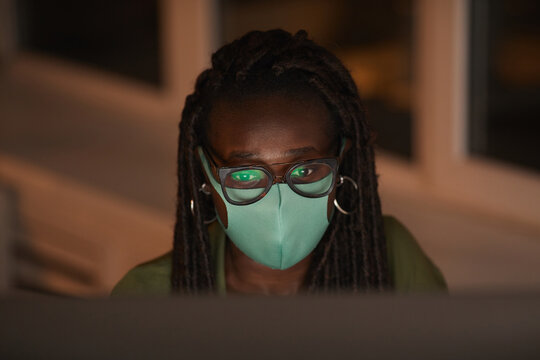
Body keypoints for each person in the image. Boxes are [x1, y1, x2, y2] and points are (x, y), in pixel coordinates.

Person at [112, 29, 446, 296]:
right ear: (205, 172)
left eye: (304, 169)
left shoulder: (392, 256)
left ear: (340, 162)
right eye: (244, 175)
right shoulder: (147, 298)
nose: (280, 203)